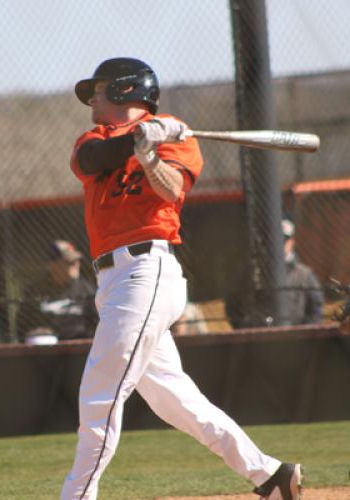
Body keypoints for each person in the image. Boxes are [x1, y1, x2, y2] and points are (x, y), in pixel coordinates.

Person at [60, 57, 301, 500]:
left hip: (145, 272)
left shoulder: (175, 132)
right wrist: (135, 139)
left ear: (125, 91)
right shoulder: (93, 138)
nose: (91, 97)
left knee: (100, 393)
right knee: (177, 401)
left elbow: (171, 190)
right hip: (112, 282)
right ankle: (270, 474)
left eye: (99, 88)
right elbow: (91, 160)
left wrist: (149, 152)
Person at [226, 219, 324, 329]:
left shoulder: (305, 275)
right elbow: (232, 303)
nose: (277, 245)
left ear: (292, 242)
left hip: (295, 339)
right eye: (273, 240)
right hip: (258, 338)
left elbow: (316, 309)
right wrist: (245, 330)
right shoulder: (251, 272)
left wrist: (302, 334)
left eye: (283, 240)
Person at [16, 240, 97, 344]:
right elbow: (21, 326)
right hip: (44, 350)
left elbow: (98, 324)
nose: (76, 264)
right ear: (52, 265)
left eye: (77, 260)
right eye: (69, 262)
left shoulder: (87, 290)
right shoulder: (35, 291)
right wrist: (34, 332)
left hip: (79, 349)